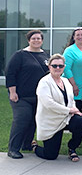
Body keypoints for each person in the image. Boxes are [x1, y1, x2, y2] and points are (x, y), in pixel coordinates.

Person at [34, 54, 82, 162]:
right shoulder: (44, 82)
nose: (57, 68)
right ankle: (34, 146)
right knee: (51, 155)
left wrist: (74, 110)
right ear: (49, 67)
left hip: (65, 117)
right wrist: (69, 110)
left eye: (60, 66)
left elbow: (71, 99)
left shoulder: (66, 81)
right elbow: (48, 103)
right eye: (54, 66)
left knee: (81, 121)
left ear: (64, 67)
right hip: (51, 121)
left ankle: (72, 148)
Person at [5, 30, 49, 159]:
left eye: (38, 38)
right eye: (33, 38)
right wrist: (12, 92)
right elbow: (10, 73)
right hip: (21, 96)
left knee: (34, 120)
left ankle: (27, 144)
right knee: (22, 119)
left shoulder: (45, 55)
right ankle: (13, 148)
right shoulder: (20, 55)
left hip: (38, 96)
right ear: (29, 40)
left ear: (42, 40)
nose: (36, 41)